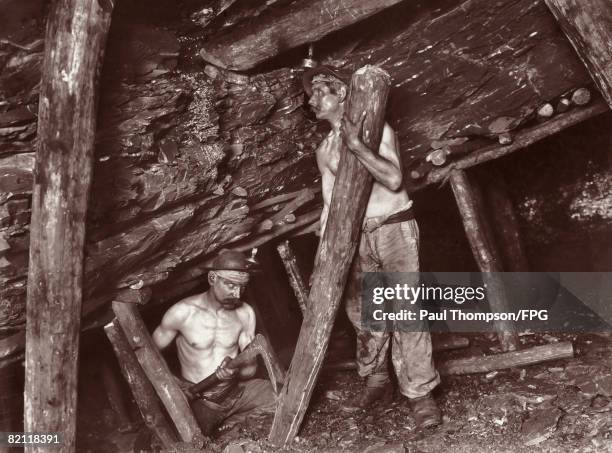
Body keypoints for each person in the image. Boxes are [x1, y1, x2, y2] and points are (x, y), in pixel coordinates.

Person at [303, 66, 442, 429]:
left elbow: (394, 179)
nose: (312, 99)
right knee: (365, 313)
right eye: (311, 95)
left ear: (343, 94)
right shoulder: (323, 150)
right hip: (358, 236)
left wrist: (356, 145)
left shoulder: (379, 130)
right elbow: (331, 205)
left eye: (321, 91)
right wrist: (324, 249)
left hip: (394, 228)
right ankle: (377, 379)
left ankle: (420, 395)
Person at [152, 250, 276, 435]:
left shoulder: (245, 313)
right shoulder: (182, 313)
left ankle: (233, 422)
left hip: (236, 391)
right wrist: (176, 385)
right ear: (212, 278)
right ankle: (225, 427)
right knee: (192, 439)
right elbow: (149, 359)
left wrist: (234, 372)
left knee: (284, 398)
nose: (237, 294)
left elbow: (249, 371)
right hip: (201, 398)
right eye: (230, 285)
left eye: (242, 287)